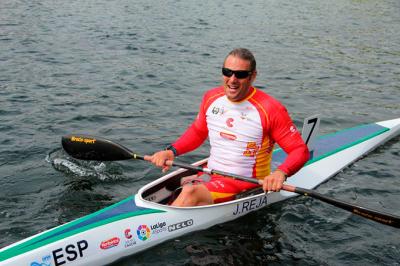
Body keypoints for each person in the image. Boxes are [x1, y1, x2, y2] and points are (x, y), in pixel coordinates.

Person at [146, 48, 309, 207]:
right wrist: (171, 151)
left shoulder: (270, 109)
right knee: (183, 188)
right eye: (227, 72)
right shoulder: (211, 97)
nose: (232, 79)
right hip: (211, 173)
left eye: (241, 74)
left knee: (189, 192)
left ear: (253, 77)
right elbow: (198, 132)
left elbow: (299, 150)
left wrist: (281, 172)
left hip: (246, 182)